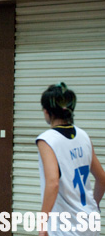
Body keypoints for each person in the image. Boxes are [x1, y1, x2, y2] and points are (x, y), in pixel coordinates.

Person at [36, 82, 105, 236]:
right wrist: (92, 206)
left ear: (47, 112)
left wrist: (42, 225)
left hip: (65, 227)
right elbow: (102, 178)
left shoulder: (47, 140)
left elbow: (53, 183)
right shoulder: (83, 136)